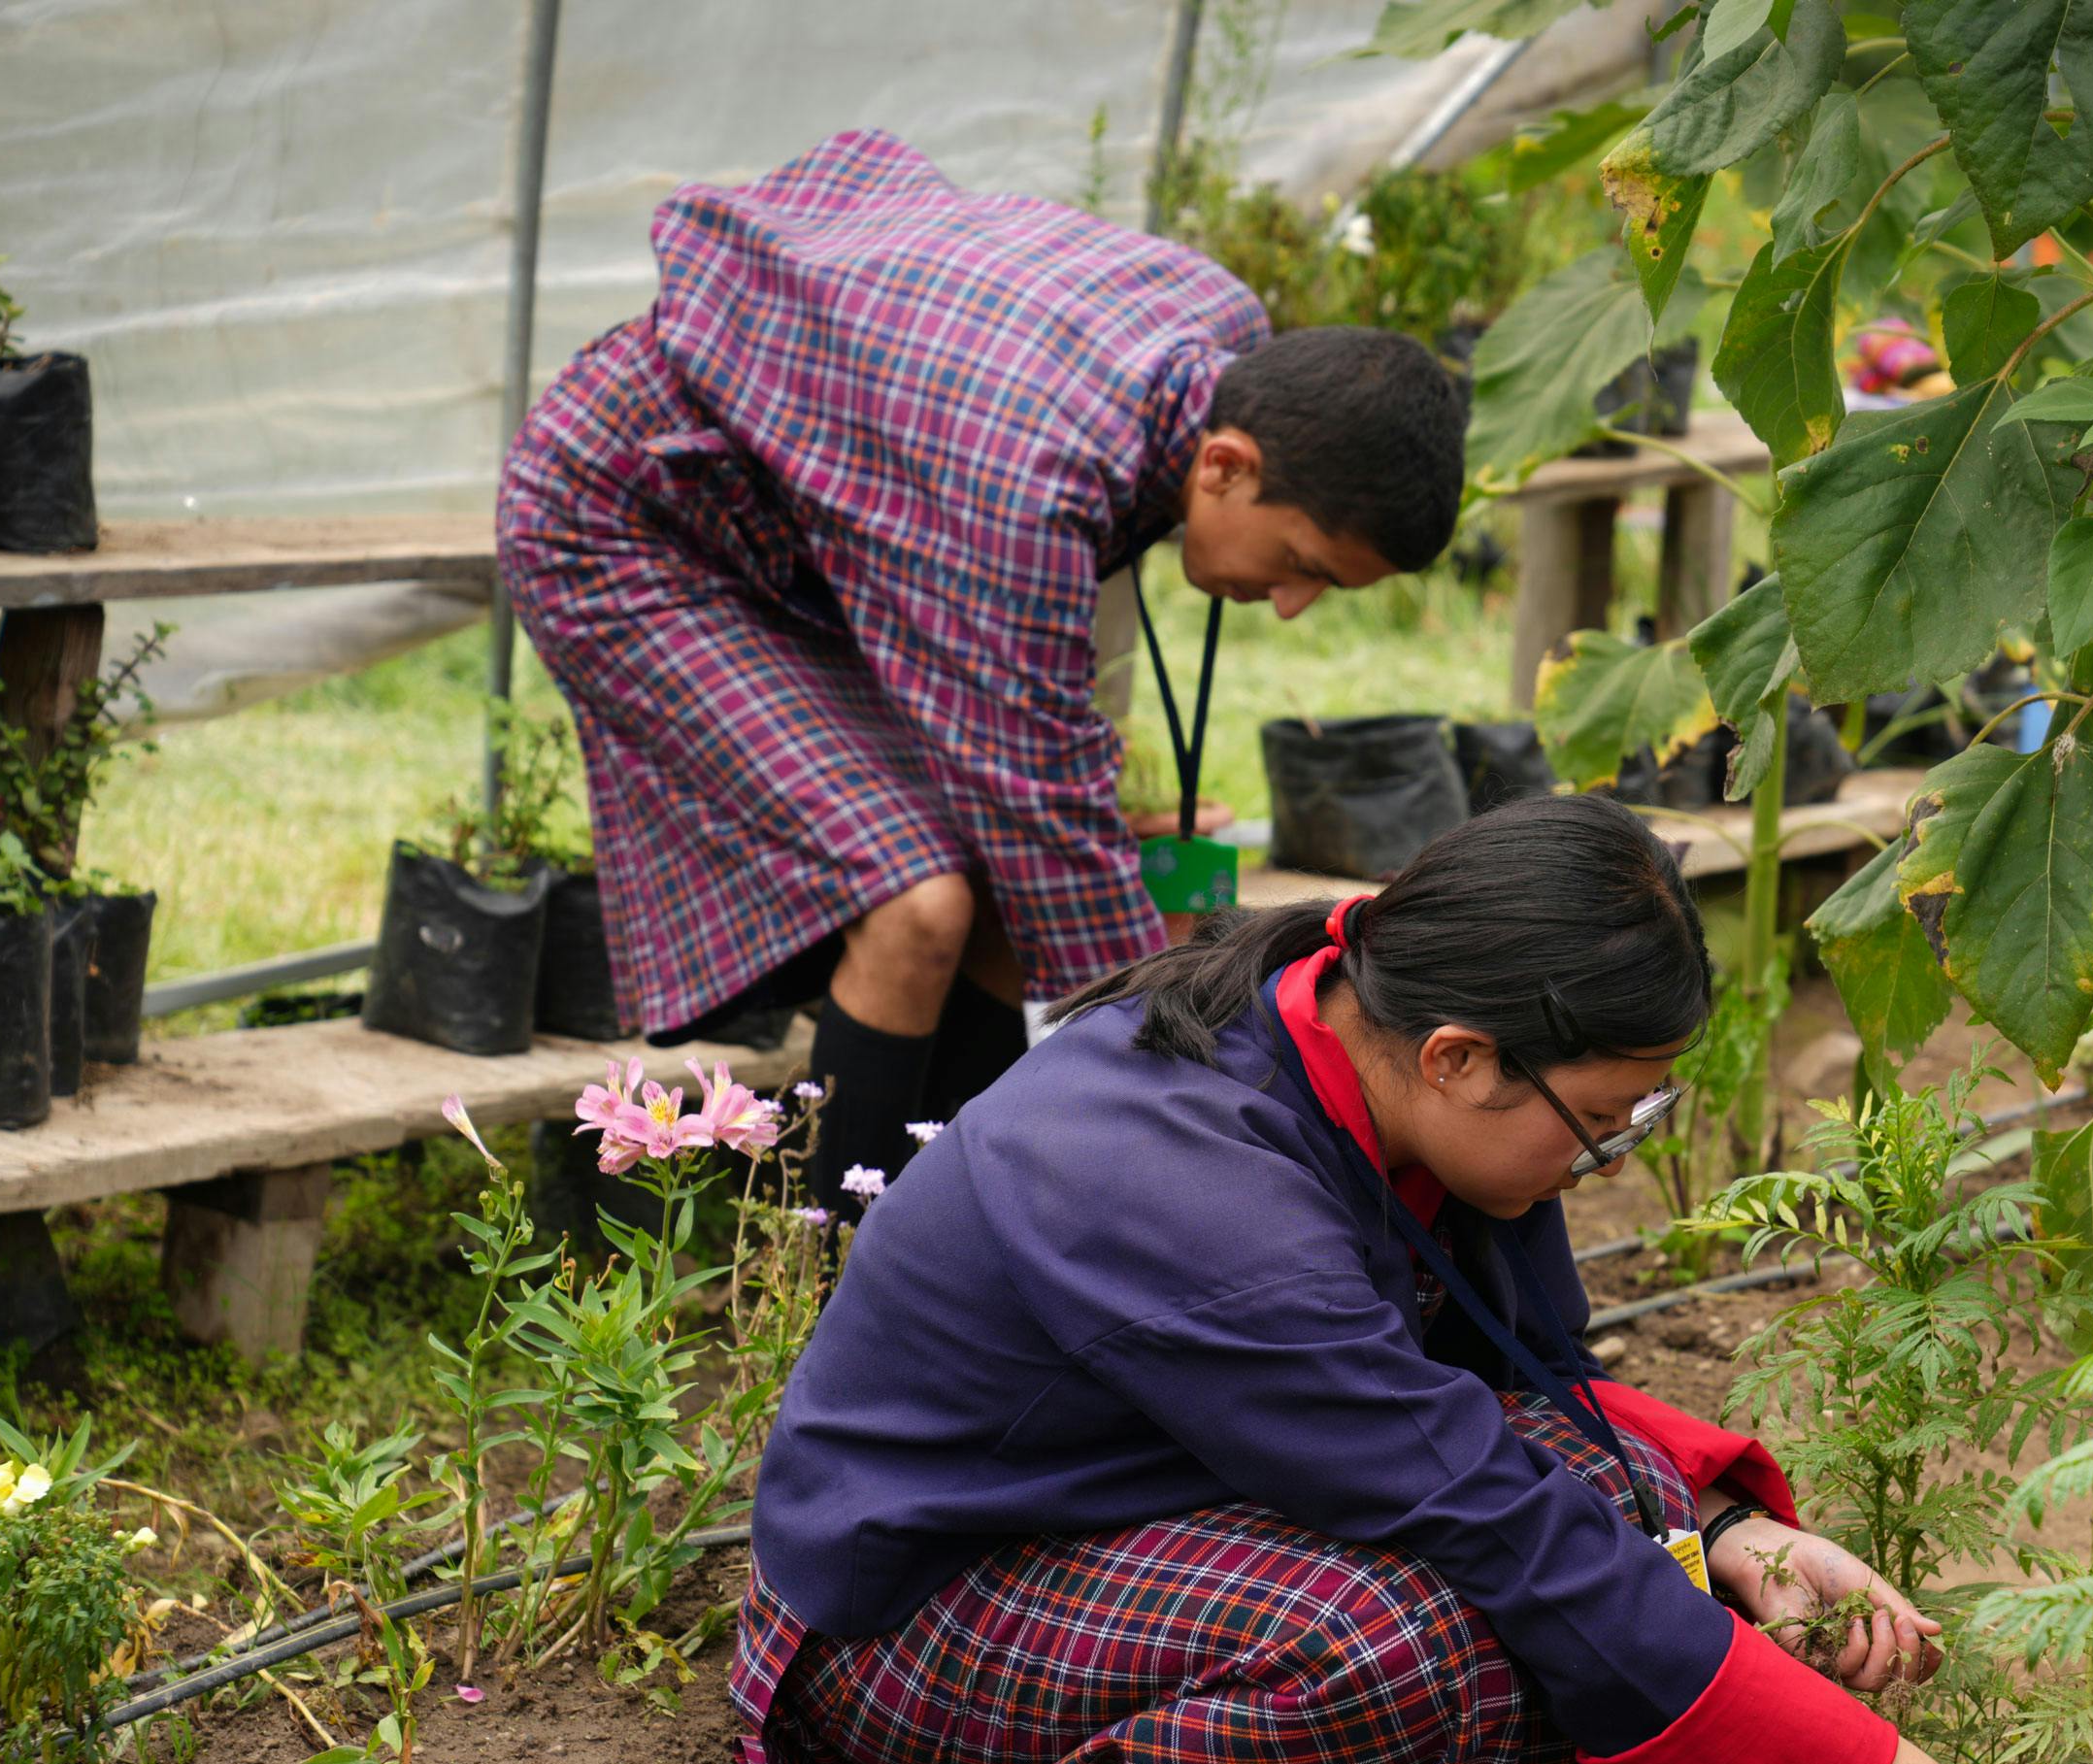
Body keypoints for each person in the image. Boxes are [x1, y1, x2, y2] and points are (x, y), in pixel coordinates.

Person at [732, 797, 2014, 1764]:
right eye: (1602, 1125)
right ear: (1462, 1057)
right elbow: (1496, 1520)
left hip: (1122, 1503)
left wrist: (1737, 1532)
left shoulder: (1358, 1044)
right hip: (906, 1614)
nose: (1606, 1159)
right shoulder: (1185, 1185)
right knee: (1403, 1640)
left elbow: (1524, 1390)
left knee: (1599, 1517)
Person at [498, 129, 1465, 1200]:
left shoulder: (1219, 337)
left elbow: (1040, 775)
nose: (1291, 606)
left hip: (805, 521)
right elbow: (1042, 809)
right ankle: (837, 1291)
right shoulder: (1032, 478)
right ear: (1228, 465)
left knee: (1011, 887)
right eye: (1298, 566)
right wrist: (1155, 1094)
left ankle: (961, 1225)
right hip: (632, 520)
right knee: (919, 901)